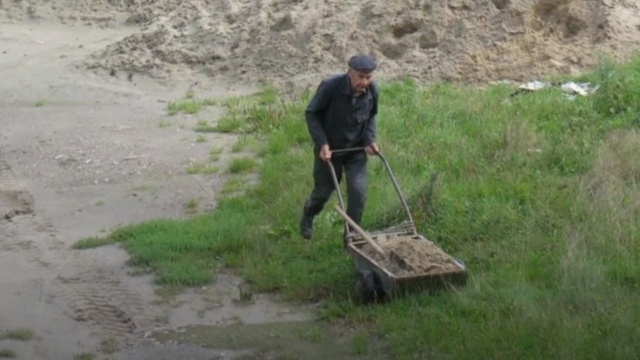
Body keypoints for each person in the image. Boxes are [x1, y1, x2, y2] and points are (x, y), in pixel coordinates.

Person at [299, 54, 380, 244]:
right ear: (350, 72)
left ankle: (351, 237)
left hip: (356, 151)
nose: (365, 82)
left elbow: (372, 116)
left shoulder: (372, 91)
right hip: (330, 152)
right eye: (360, 76)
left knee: (358, 194)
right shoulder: (331, 86)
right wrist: (322, 143)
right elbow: (312, 113)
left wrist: (370, 140)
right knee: (323, 192)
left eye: (368, 77)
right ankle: (309, 213)